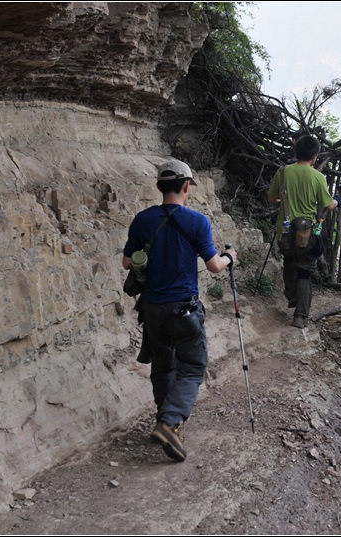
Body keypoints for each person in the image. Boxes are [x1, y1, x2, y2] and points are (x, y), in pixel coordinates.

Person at [122, 158, 237, 462]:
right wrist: (229, 257)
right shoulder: (198, 222)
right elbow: (214, 266)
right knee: (193, 366)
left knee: (163, 366)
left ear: (159, 187)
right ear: (187, 187)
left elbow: (126, 261)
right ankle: (170, 421)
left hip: (152, 308)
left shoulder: (142, 220)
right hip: (183, 308)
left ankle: (166, 422)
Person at [267, 134, 338, 329]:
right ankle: (300, 316)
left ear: (296, 152)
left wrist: (286, 201)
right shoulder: (318, 177)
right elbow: (327, 204)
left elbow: (272, 199)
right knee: (305, 272)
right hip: (307, 234)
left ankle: (292, 296)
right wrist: (337, 200)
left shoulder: (282, 173)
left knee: (289, 261)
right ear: (315, 156)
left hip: (286, 232)